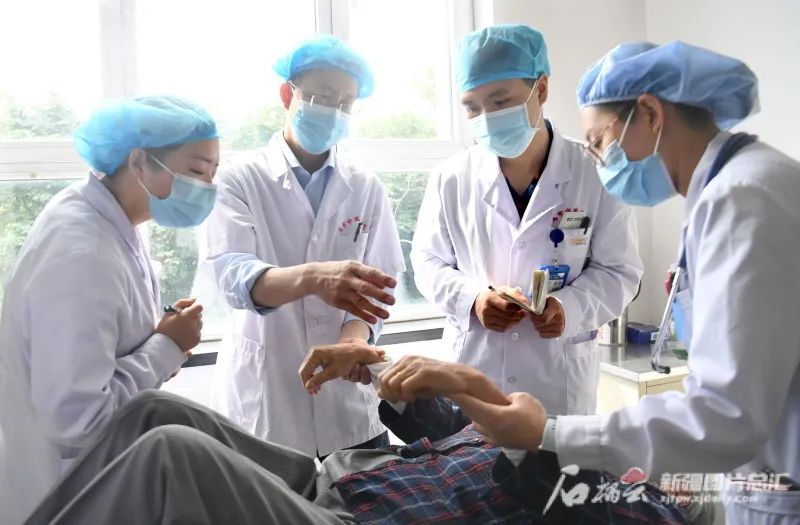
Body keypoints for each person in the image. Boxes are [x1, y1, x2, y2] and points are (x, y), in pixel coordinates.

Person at [456, 41, 800, 525]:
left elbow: (725, 417)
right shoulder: (740, 186)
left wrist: (549, 434)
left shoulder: (742, 198)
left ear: (651, 114)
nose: (598, 162)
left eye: (599, 142)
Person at [23, 349, 687, 524]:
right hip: (333, 480)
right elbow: (445, 426)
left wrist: (480, 391)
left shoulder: (635, 501)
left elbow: (548, 483)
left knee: (174, 457)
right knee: (155, 411)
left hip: (363, 522)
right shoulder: (564, 436)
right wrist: (377, 368)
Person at [0, 95, 219, 525]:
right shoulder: (81, 252)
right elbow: (78, 419)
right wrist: (165, 346)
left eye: (214, 173)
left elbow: (106, 346)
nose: (208, 188)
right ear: (139, 162)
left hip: (98, 477)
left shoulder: (110, 219)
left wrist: (163, 339)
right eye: (196, 172)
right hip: (65, 492)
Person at [411, 24, 643, 416]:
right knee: (470, 453)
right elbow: (427, 262)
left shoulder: (594, 171)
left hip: (557, 381)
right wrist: (472, 299)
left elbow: (620, 270)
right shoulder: (451, 178)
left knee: (553, 455)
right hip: (475, 371)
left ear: (542, 89)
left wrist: (569, 308)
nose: (486, 117)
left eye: (500, 101)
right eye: (472, 107)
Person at [205, 34, 404, 458]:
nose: (333, 112)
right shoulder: (238, 179)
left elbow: (379, 290)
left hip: (349, 407)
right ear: (287, 94)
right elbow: (233, 276)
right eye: (322, 97)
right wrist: (313, 278)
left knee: (363, 496)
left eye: (346, 104)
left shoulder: (366, 187)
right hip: (266, 401)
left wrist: (352, 344)